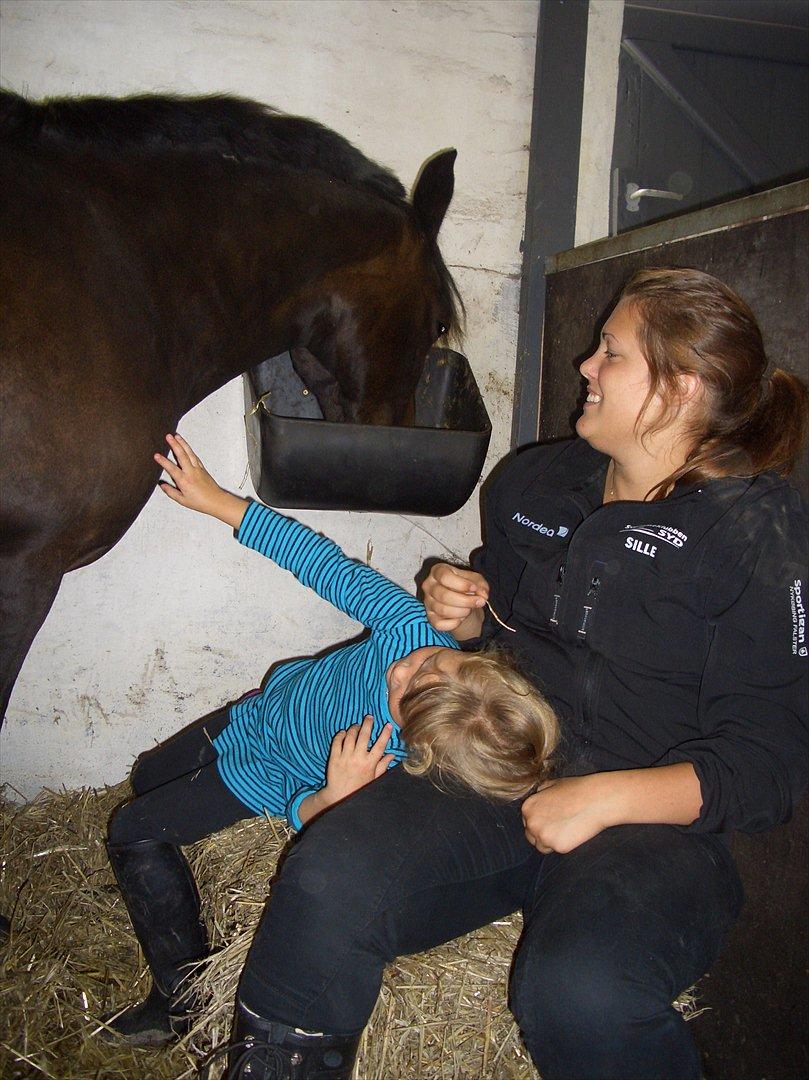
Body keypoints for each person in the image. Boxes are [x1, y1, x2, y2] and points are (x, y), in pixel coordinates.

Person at [201, 267, 807, 1080]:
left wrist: (605, 796)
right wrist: (463, 628)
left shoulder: (758, 535)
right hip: (495, 771)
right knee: (329, 872)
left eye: (610, 354)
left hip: (651, 826)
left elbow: (767, 764)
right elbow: (509, 632)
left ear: (679, 389)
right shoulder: (533, 482)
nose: (584, 368)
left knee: (579, 991)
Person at [103, 433, 558, 1052]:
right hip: (250, 715)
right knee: (148, 775)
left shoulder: (397, 765)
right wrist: (218, 502)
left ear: (424, 746)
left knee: (135, 829)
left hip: (259, 776)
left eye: (411, 700)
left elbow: (309, 818)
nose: (404, 673)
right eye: (434, 667)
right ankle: (166, 898)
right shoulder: (411, 626)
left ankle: (177, 1001)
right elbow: (323, 564)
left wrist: (326, 803)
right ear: (477, 665)